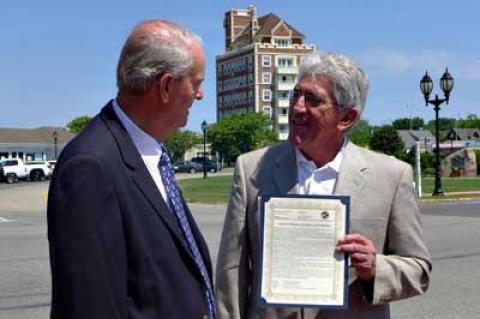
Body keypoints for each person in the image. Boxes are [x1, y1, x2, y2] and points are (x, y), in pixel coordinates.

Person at [215, 52, 431, 319]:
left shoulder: (391, 175)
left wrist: (375, 267)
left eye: (313, 100)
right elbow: (231, 271)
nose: (297, 108)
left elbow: (417, 270)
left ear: (347, 118)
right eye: (296, 95)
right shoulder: (252, 169)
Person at [47, 20, 216, 319]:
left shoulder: (150, 155)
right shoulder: (90, 167)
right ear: (165, 86)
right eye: (196, 82)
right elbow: (89, 307)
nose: (200, 95)